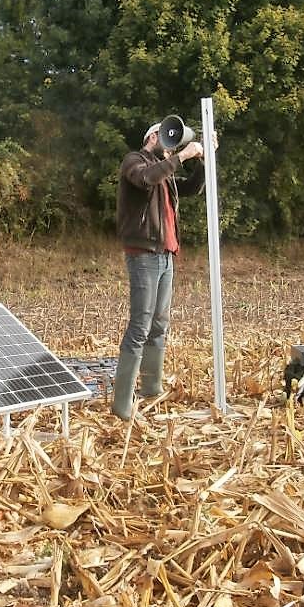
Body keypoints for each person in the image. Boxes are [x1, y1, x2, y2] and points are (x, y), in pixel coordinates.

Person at [112, 120, 208, 420]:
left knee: (159, 325)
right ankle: (122, 406)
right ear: (153, 137)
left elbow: (192, 187)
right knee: (140, 326)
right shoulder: (135, 162)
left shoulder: (164, 174)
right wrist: (181, 157)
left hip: (165, 256)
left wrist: (203, 161)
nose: (172, 149)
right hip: (144, 255)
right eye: (168, 142)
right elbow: (145, 179)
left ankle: (151, 390)